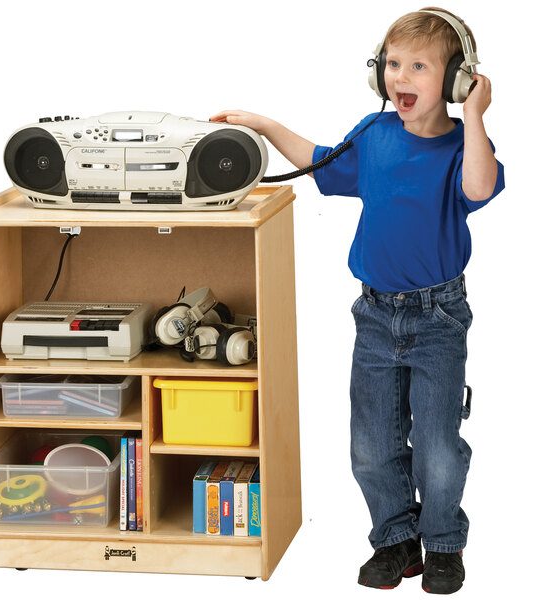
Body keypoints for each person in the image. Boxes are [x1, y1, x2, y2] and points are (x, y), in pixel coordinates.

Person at [210, 6, 504, 595]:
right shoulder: (373, 137)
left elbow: (479, 187)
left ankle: (444, 541)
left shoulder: (463, 146)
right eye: (393, 63)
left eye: (420, 66)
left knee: (439, 447)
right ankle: (396, 539)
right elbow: (317, 162)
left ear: (455, 80)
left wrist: (473, 114)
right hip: (374, 314)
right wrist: (266, 126)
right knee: (371, 444)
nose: (401, 76)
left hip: (437, 315)